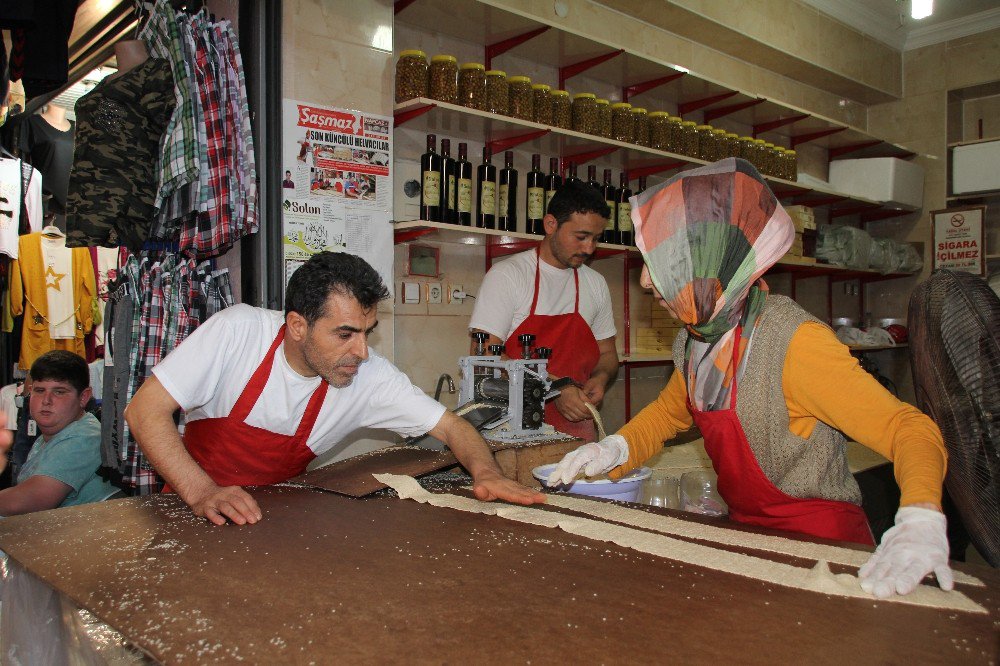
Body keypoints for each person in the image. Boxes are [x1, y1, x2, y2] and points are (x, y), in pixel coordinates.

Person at [548, 158, 952, 599]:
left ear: (711, 263)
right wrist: (613, 448)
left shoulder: (793, 341)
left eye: (662, 265)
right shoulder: (696, 337)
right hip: (749, 535)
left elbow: (908, 428)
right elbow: (668, 415)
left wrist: (921, 517)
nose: (646, 282)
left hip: (824, 546)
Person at [126, 252, 545, 527]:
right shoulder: (239, 332)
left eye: (367, 333)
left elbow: (453, 427)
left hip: (275, 520)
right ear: (296, 326)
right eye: (345, 334)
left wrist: (486, 473)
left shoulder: (368, 376)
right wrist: (201, 492)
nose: (361, 351)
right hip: (187, 509)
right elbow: (144, 411)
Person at [468, 180, 619, 441]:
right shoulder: (509, 276)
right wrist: (556, 388)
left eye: (596, 239)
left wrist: (601, 378)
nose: (589, 249)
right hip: (511, 432)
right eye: (581, 237)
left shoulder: (595, 284)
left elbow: (607, 354)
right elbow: (483, 357)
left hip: (577, 434)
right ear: (551, 225)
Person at [0, 351, 115, 515]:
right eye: (39, 391)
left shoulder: (86, 436)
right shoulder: (53, 434)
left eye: (59, 392)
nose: (46, 400)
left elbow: (31, 499)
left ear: (83, 397)